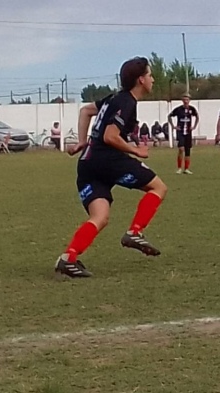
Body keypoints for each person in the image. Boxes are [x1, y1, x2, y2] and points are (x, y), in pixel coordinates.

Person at [55, 57, 168, 278]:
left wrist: (81, 141)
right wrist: (136, 151)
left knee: (100, 216)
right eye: (150, 75)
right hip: (107, 160)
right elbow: (110, 136)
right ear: (140, 79)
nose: (153, 79)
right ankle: (135, 232)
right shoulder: (126, 102)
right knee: (159, 188)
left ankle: (68, 258)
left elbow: (86, 111)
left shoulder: (113, 98)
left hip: (87, 163)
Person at [168, 94, 199, 174]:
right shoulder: (178, 109)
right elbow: (169, 116)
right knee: (181, 149)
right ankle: (179, 168)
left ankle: (186, 169)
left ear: (189, 101)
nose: (185, 101)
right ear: (182, 100)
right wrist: (173, 126)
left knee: (188, 150)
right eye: (184, 100)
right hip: (180, 132)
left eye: (187, 100)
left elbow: (197, 116)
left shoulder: (192, 109)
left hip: (188, 132)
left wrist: (194, 126)